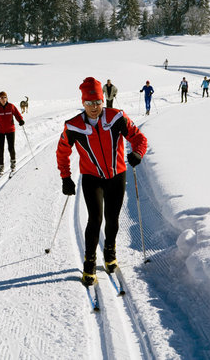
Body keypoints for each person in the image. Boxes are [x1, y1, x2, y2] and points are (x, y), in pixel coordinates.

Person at [57, 77, 147, 286]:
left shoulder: (117, 117)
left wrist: (138, 153)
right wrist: (65, 177)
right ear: (83, 103)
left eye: (97, 102)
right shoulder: (73, 126)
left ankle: (110, 250)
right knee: (95, 218)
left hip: (117, 175)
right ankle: (89, 262)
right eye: (89, 103)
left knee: (112, 217)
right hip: (92, 178)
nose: (94, 107)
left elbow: (138, 137)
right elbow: (62, 152)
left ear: (103, 100)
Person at [0, 91, 24, 175]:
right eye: (1, 98)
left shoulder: (11, 106)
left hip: (10, 130)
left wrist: (20, 120)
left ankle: (13, 162)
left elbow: (17, 114)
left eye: (5, 97)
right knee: (0, 149)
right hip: (0, 131)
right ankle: (1, 166)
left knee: (11, 148)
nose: (3, 99)